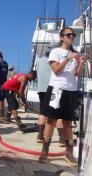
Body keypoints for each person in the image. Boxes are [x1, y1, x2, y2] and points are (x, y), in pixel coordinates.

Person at [38, 27, 87, 167]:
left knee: (67, 122)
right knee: (51, 120)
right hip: (57, 89)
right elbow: (56, 70)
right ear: (61, 37)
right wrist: (67, 58)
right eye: (68, 34)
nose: (71, 37)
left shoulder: (75, 54)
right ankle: (45, 151)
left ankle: (69, 154)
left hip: (71, 90)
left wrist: (81, 63)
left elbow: (76, 74)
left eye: (73, 35)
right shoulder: (55, 51)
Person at [36, 43, 64, 146]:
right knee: (59, 114)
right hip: (53, 89)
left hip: (41, 90)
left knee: (43, 113)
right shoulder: (55, 61)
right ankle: (62, 139)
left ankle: (40, 136)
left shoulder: (41, 60)